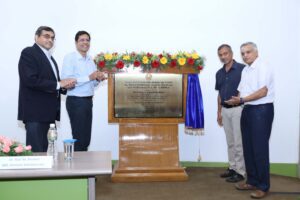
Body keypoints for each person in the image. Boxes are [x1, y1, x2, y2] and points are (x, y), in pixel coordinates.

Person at [225, 42, 274, 199]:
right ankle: (252, 181)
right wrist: (236, 99)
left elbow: (263, 91)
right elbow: (241, 91)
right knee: (248, 148)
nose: (245, 55)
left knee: (259, 149)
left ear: (256, 52)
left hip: (261, 110)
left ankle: (263, 186)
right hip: (247, 109)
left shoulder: (263, 66)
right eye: (243, 53)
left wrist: (241, 100)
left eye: (248, 52)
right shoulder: (246, 70)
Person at [18, 26, 76, 152]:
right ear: (36, 37)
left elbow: (55, 84)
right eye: (46, 36)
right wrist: (58, 84)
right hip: (35, 114)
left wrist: (64, 86)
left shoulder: (51, 59)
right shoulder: (29, 53)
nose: (50, 40)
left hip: (49, 115)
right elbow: (30, 80)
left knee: (48, 154)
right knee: (37, 154)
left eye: (53, 38)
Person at [61, 31, 106, 151]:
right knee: (79, 137)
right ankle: (77, 168)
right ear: (76, 42)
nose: (85, 42)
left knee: (86, 138)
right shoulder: (70, 58)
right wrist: (89, 77)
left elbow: (93, 83)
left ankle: (83, 166)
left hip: (87, 100)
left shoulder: (90, 60)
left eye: (87, 40)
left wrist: (98, 79)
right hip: (76, 101)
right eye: (82, 40)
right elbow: (66, 81)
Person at [215, 44, 246, 183]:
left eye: (225, 53)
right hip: (225, 110)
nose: (223, 56)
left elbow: (247, 88)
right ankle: (232, 168)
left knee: (238, 142)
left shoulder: (242, 69)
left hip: (238, 109)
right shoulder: (219, 73)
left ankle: (240, 172)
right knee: (230, 142)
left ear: (232, 54)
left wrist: (238, 99)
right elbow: (220, 94)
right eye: (220, 55)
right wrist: (219, 112)